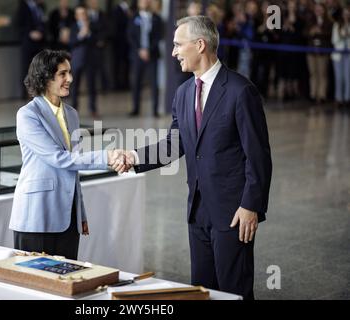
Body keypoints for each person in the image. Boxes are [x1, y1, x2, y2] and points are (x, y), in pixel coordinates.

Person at [112, 16, 272, 299]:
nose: (173, 52)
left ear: (200, 45)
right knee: (202, 289)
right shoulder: (184, 92)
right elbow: (175, 145)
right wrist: (134, 156)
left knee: (234, 290)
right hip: (197, 211)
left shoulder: (240, 91)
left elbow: (258, 156)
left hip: (233, 213)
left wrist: (251, 205)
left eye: (177, 44)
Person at [9, 49, 122, 259]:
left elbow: (73, 169)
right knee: (35, 285)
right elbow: (59, 158)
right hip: (37, 215)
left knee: (65, 280)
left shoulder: (71, 114)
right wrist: (106, 157)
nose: (70, 78)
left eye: (69, 72)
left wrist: (80, 213)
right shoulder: (27, 115)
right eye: (62, 73)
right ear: (45, 77)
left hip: (68, 217)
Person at [127, 0, 163, 117]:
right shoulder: (134, 18)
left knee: (154, 83)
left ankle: (155, 110)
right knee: (136, 81)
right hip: (137, 55)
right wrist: (140, 49)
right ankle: (135, 108)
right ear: (139, 3)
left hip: (152, 55)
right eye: (142, 1)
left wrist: (149, 50)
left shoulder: (157, 18)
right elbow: (130, 35)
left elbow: (159, 36)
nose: (145, 3)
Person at [69, 5, 101, 118]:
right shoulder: (73, 27)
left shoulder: (93, 26)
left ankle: (93, 109)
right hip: (77, 60)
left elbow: (97, 41)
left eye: (84, 13)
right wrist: (81, 35)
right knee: (74, 86)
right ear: (76, 16)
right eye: (80, 13)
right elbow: (71, 43)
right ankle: (73, 109)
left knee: (92, 85)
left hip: (90, 60)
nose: (82, 15)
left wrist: (89, 33)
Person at [17, 0, 46, 99]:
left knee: (38, 67)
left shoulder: (41, 6)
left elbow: (43, 22)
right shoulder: (23, 6)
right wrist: (30, 33)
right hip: (28, 43)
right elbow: (19, 25)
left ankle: (37, 91)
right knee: (26, 68)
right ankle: (25, 93)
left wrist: (41, 32)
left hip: (39, 42)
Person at [331, 5, 350, 110]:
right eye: (345, 12)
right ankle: (339, 98)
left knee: (348, 77)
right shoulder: (336, 25)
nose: (346, 15)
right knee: (339, 78)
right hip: (338, 55)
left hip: (348, 54)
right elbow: (334, 40)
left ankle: (347, 98)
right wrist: (343, 36)